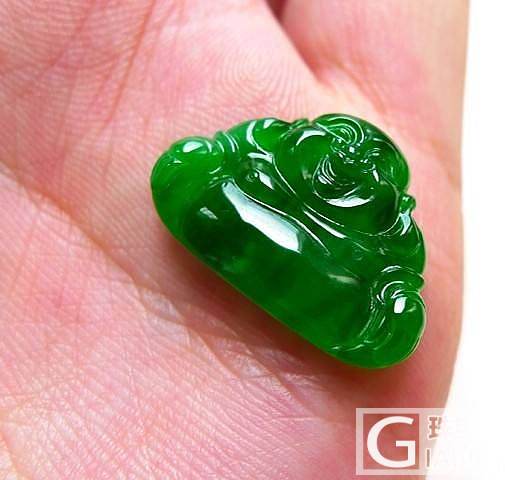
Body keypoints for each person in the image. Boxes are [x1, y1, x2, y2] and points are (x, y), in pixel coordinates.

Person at [0, 1, 467, 478]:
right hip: (237, 207)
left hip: (333, 274)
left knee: (390, 323)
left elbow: (400, 296)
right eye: (341, 143)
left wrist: (390, 300)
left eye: (371, 170)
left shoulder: (388, 236)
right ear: (301, 135)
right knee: (191, 171)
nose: (349, 163)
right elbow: (203, 160)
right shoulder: (261, 153)